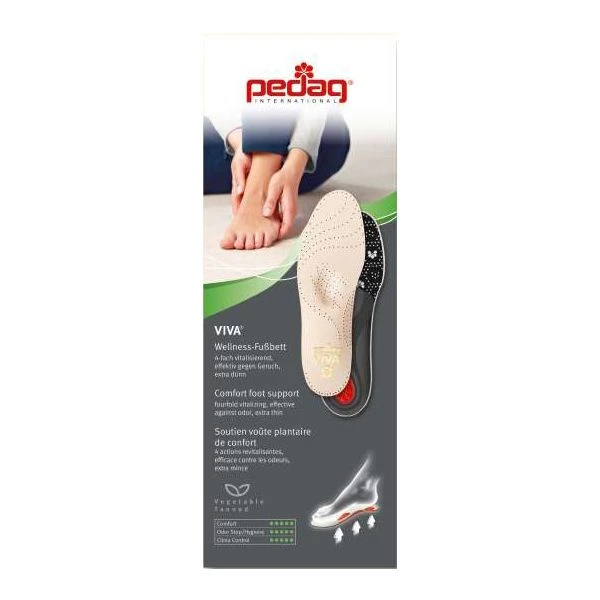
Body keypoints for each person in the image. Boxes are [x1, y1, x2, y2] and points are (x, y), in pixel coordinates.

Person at [204, 109, 350, 250]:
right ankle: (257, 167)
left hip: (314, 134)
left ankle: (259, 186)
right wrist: (240, 142)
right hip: (231, 130)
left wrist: (296, 161)